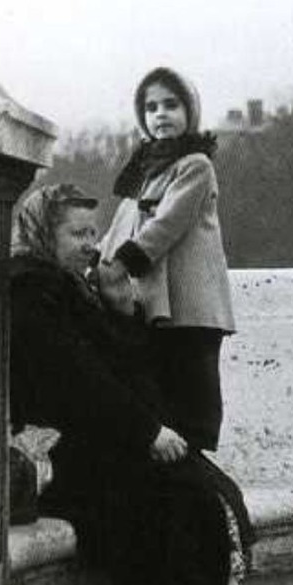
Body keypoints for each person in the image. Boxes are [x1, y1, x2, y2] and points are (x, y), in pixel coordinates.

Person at [10, 183, 293, 585]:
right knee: (182, 494)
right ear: (42, 236)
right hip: (64, 458)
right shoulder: (31, 291)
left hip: (98, 441)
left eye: (95, 232)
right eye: (77, 234)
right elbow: (77, 382)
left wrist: (122, 310)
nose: (93, 244)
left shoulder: (73, 290)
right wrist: (147, 433)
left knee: (205, 484)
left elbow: (129, 373)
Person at [99, 67, 235, 451]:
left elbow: (167, 224)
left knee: (190, 403)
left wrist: (122, 264)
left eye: (171, 105)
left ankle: (196, 479)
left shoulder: (196, 165)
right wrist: (97, 261)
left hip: (189, 308)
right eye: (151, 107)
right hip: (157, 307)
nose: (160, 115)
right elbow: (124, 221)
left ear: (189, 111)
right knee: (158, 398)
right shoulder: (145, 170)